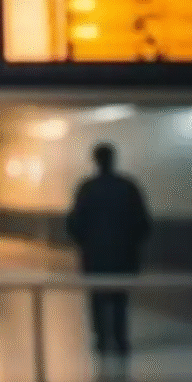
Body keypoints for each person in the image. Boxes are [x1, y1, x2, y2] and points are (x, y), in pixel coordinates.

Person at [68, 144, 151, 357]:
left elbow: (74, 224)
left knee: (97, 299)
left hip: (95, 256)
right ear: (114, 159)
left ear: (95, 161)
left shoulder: (87, 188)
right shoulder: (128, 187)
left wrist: (86, 244)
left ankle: (101, 340)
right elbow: (143, 223)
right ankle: (121, 339)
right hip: (124, 256)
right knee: (120, 299)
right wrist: (132, 245)